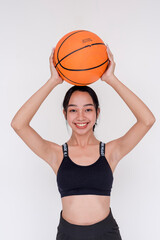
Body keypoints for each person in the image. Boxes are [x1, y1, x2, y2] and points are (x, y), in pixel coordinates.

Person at [11, 45, 156, 240]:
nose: (81, 116)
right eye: (73, 110)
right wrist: (53, 81)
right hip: (68, 235)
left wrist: (111, 79)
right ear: (65, 113)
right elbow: (19, 124)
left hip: (107, 234)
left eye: (88, 109)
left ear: (97, 112)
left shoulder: (111, 151)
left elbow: (147, 120)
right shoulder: (55, 154)